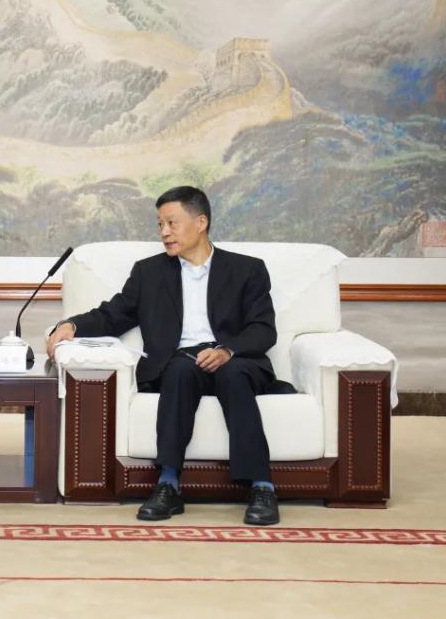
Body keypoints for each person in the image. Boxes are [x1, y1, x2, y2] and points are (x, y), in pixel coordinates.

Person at [46, 186, 280, 526]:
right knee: (178, 371)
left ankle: (262, 486)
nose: (164, 232)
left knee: (233, 375)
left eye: (172, 223)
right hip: (181, 361)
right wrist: (72, 325)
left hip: (235, 359)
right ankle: (168, 485)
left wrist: (227, 351)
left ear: (201, 222)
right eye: (160, 225)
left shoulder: (247, 269)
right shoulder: (149, 272)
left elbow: (263, 329)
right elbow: (115, 314)